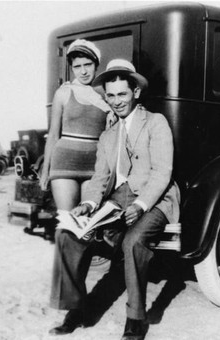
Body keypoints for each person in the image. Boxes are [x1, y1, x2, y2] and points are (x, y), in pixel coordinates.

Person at [49, 59, 180, 340]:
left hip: (153, 200)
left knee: (133, 242)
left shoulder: (155, 122)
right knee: (70, 233)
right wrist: (89, 204)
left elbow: (162, 172)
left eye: (122, 94)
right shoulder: (107, 135)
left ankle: (135, 319)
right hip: (116, 201)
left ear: (136, 93)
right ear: (105, 97)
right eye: (111, 95)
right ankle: (77, 309)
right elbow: (99, 178)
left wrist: (139, 205)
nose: (117, 101)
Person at [40, 39, 115, 212]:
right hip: (63, 164)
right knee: (68, 221)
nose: (83, 71)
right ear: (72, 68)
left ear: (96, 65)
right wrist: (45, 172)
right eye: (77, 66)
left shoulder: (107, 93)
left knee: (87, 225)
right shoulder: (63, 92)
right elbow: (53, 135)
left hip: (94, 167)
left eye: (87, 65)